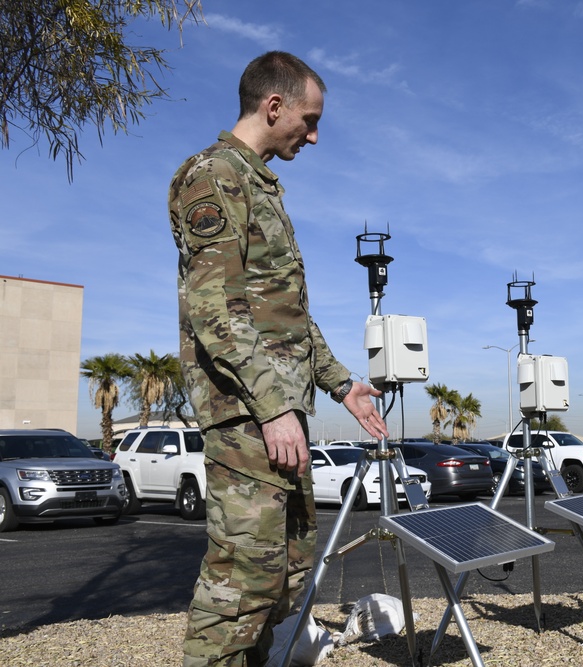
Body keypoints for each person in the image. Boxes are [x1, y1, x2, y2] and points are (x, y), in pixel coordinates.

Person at [168, 51, 389, 667]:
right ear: (273, 106)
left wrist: (341, 384)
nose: (313, 136)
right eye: (309, 120)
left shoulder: (259, 184)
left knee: (281, 576)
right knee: (240, 586)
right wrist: (271, 408)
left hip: (276, 414)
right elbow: (216, 309)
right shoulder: (214, 176)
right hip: (248, 416)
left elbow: (284, 315)